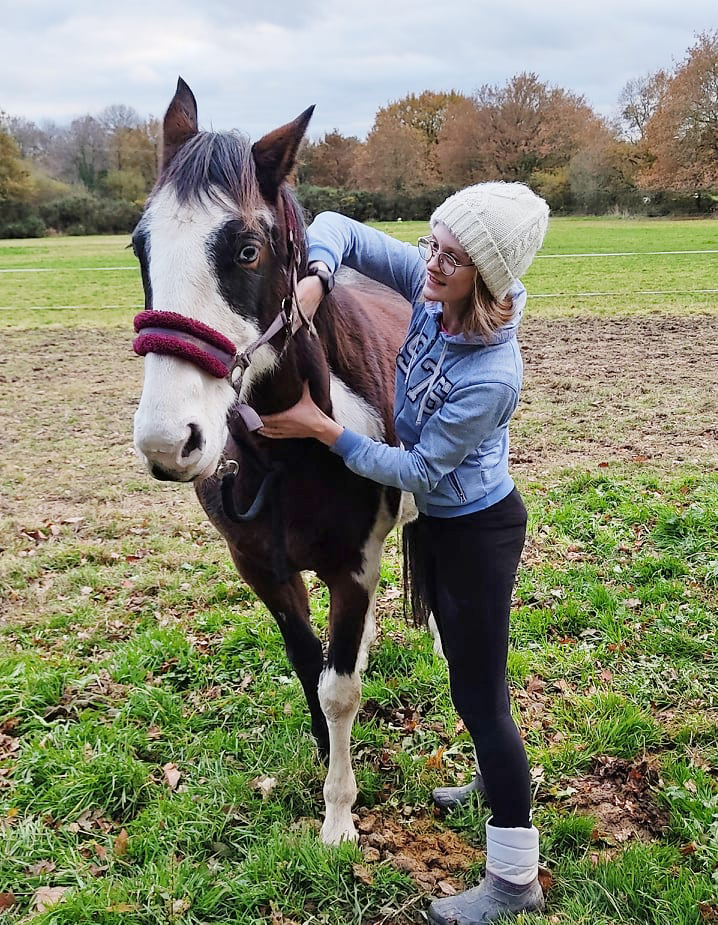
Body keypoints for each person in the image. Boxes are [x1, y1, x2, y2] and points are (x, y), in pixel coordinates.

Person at [260, 182, 549, 924]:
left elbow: (420, 471)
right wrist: (320, 275)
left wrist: (323, 431)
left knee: (479, 697)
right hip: (443, 521)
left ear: (482, 276)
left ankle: (515, 877)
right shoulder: (434, 289)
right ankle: (493, 776)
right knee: (470, 673)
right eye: (431, 242)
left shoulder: (492, 374)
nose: (430, 262)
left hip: (477, 531)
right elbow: (339, 230)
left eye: (450, 257)